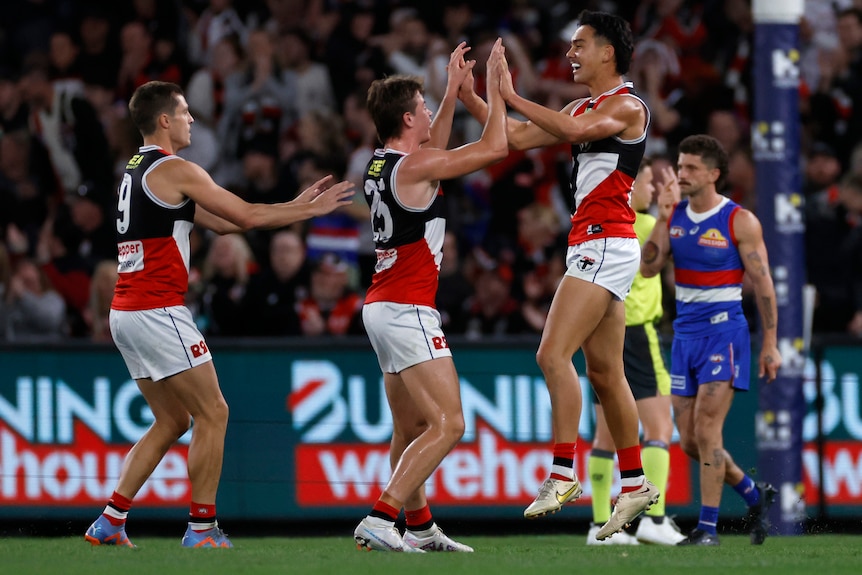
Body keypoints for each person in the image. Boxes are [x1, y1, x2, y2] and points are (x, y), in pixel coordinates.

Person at [83, 80, 353, 549]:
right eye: (185, 112)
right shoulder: (175, 170)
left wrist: (296, 207)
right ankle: (201, 528)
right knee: (214, 411)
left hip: (126, 310)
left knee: (171, 421)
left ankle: (110, 520)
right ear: (164, 119)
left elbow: (224, 222)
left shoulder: (135, 170)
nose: (192, 119)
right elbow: (246, 217)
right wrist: (308, 211)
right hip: (157, 307)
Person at [458, 10, 658, 540]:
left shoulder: (628, 105)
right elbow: (515, 140)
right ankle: (636, 482)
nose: (570, 54)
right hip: (594, 243)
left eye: (579, 45)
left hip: (606, 240)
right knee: (605, 375)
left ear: (608, 52)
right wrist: (477, 96)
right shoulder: (583, 104)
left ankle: (562, 471)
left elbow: (569, 130)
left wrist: (512, 92)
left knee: (551, 354)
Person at [352, 40, 507, 552]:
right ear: (406, 117)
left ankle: (418, 525)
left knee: (411, 426)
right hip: (407, 307)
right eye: (420, 107)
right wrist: (496, 94)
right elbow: (494, 149)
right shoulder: (415, 169)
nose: (427, 112)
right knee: (450, 423)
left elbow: (433, 145)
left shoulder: (385, 164)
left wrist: (448, 92)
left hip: (381, 305)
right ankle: (381, 516)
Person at [640, 134, 781, 546]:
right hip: (685, 335)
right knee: (689, 440)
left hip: (725, 333)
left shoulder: (739, 220)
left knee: (707, 427)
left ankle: (708, 528)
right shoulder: (675, 216)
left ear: (713, 174)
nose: (680, 174)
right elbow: (649, 270)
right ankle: (755, 496)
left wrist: (770, 342)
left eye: (689, 168)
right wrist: (660, 216)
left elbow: (765, 284)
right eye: (680, 167)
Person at [586, 159, 685, 546]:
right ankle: (654, 520)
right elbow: (652, 265)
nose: (651, 188)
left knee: (604, 434)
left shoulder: (604, 228)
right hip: (640, 334)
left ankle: (598, 526)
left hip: (602, 331)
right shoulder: (642, 224)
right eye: (646, 181)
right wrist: (667, 215)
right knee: (660, 428)